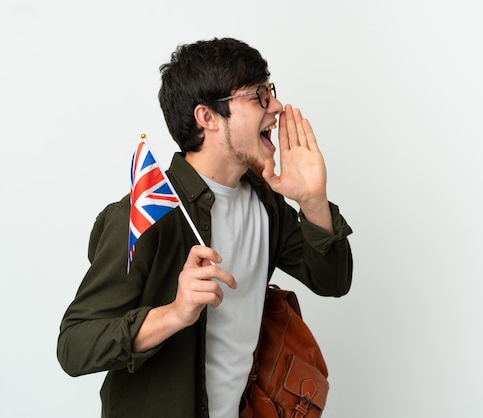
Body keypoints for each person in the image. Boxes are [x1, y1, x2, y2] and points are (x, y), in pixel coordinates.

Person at [57, 37, 353, 418]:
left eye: (271, 91)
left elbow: (333, 281)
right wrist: (175, 313)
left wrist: (312, 201)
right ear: (207, 117)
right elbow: (74, 345)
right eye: (258, 96)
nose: (276, 107)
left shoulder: (265, 202)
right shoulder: (147, 215)